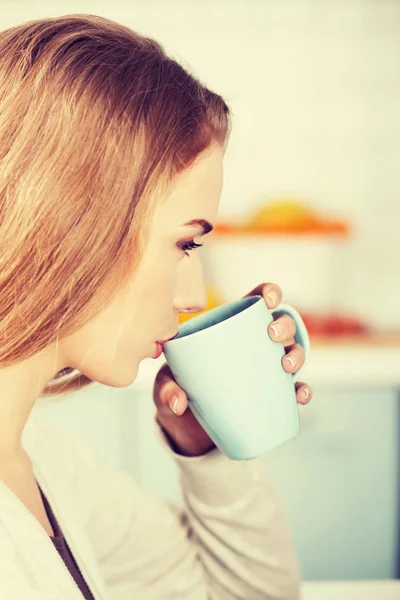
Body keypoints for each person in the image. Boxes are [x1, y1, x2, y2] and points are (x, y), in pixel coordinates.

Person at [0, 14, 313, 600]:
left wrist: (209, 447)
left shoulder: (48, 465)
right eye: (185, 243)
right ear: (75, 216)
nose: (194, 297)